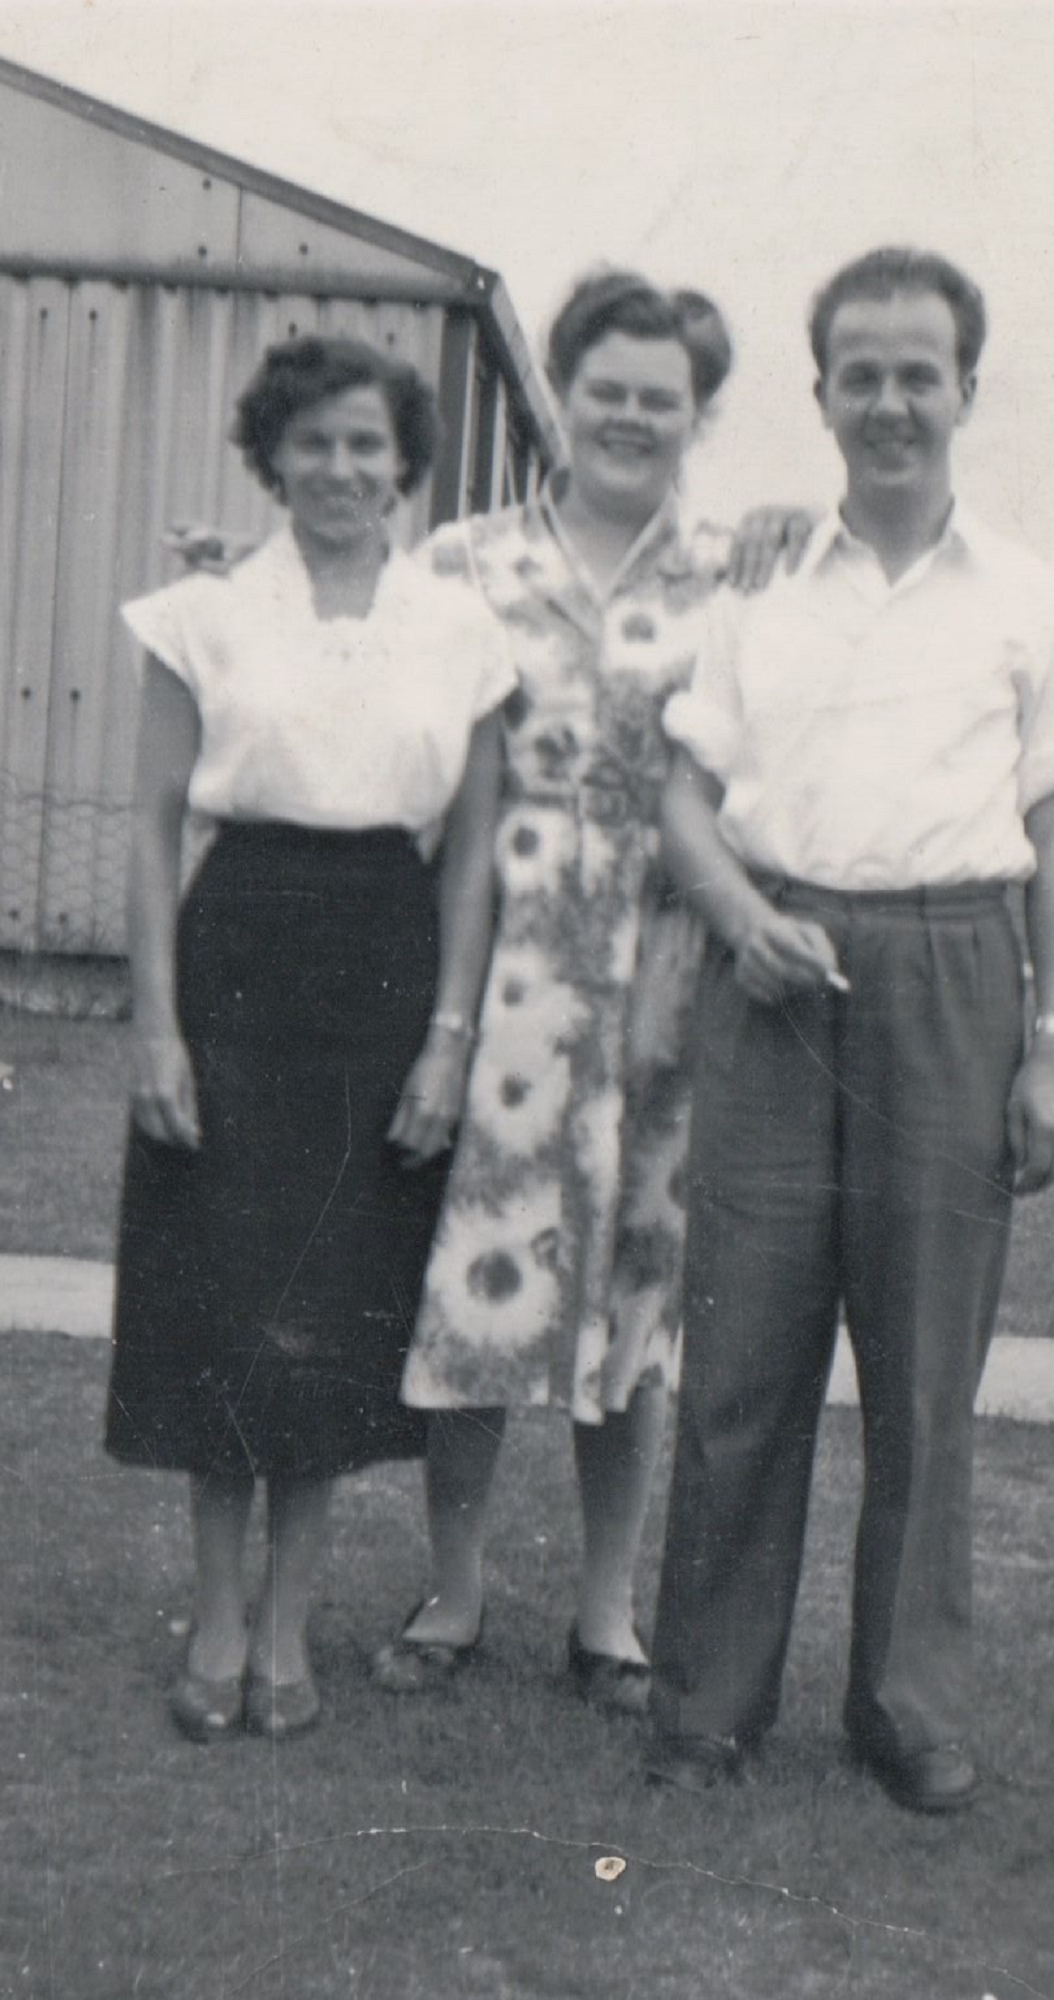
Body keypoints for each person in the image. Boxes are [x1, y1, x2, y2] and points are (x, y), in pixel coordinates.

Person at [644, 247, 1054, 1810]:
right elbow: (683, 797)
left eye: (922, 372)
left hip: (956, 981)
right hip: (777, 976)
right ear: (823, 395)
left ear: (966, 390)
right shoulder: (758, 586)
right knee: (743, 1360)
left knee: (924, 1379)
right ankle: (707, 1700)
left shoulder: (1036, 599)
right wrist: (733, 914)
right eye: (864, 374)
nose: (893, 401)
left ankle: (907, 1706)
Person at [371, 271, 803, 1713]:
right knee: (479, 1283)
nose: (630, 416)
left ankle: (610, 1615)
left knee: (640, 1302)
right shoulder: (463, 563)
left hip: (676, 986)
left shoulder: (745, 570)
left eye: (661, 397)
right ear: (562, 391)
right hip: (505, 976)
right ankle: (457, 1587)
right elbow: (379, 721)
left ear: (700, 414)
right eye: (606, 387)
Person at [103, 336, 515, 1742]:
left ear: (406, 467)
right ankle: (218, 1616)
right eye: (315, 443)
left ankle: (291, 1628)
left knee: (334, 1303)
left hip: (386, 960)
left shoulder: (463, 632)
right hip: (238, 956)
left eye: (369, 445)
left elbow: (471, 859)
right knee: (222, 1296)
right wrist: (154, 1025)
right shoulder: (199, 619)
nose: (343, 468)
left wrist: (450, 1036)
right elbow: (158, 830)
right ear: (271, 458)